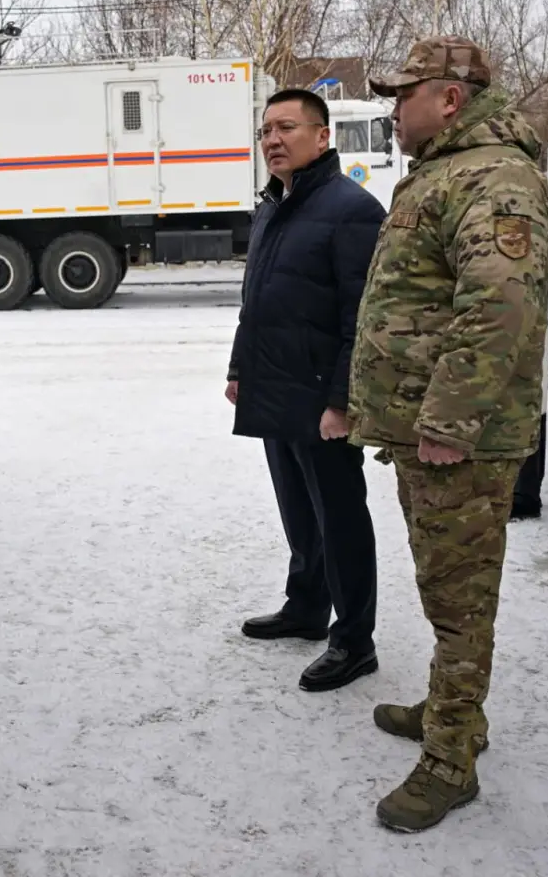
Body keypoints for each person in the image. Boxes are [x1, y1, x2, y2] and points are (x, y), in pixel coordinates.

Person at [347, 36, 548, 832]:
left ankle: (451, 760)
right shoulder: (446, 171)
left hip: (458, 437)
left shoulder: (494, 178)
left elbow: (499, 309)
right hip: (429, 429)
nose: (394, 111)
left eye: (404, 96)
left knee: (461, 601)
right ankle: (448, 708)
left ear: (450, 99)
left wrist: (449, 421)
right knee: (445, 587)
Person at [226, 88, 385, 693]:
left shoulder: (352, 210)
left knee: (340, 516)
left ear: (322, 137)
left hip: (323, 398)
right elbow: (256, 301)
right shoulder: (273, 206)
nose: (273, 139)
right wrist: (240, 369)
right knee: (298, 509)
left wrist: (342, 401)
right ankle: (306, 607)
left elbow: (361, 318)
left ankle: (354, 639)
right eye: (266, 130)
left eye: (287, 127)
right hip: (276, 386)